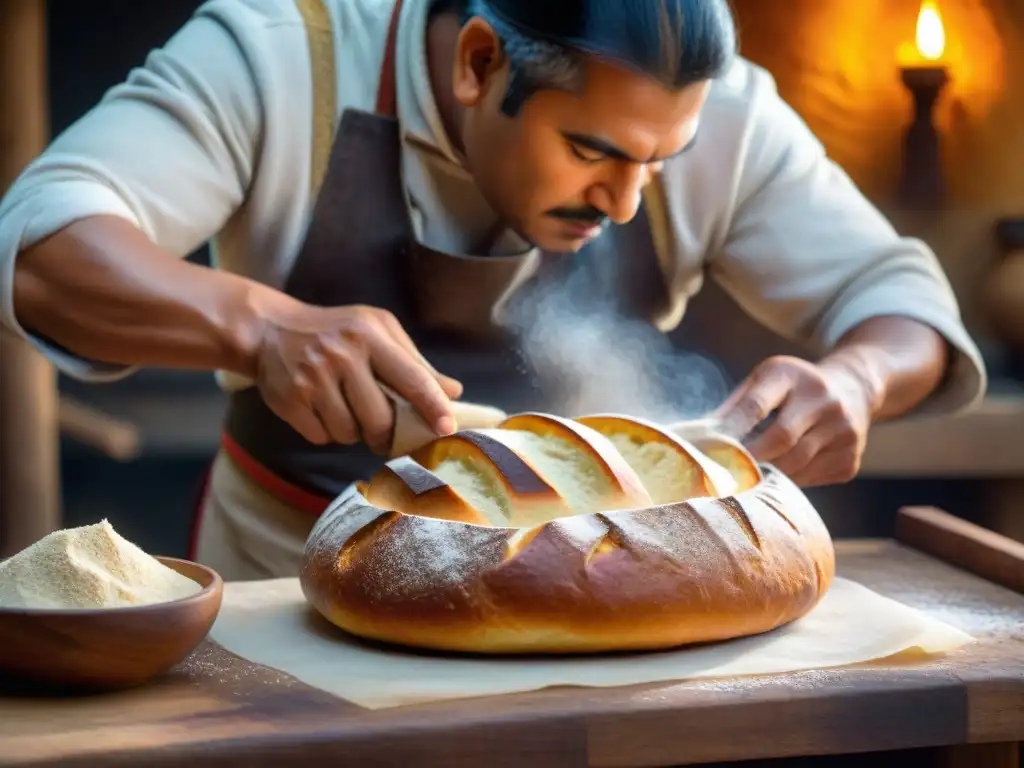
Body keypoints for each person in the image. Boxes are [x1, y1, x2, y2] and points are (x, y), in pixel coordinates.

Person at [0, 0, 985, 580]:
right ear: (478, 61)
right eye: (591, 151)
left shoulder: (718, 112)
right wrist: (257, 324)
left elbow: (900, 300)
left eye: (660, 161)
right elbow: (41, 243)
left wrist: (856, 379)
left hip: (599, 594)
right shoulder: (277, 51)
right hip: (288, 584)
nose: (629, 202)